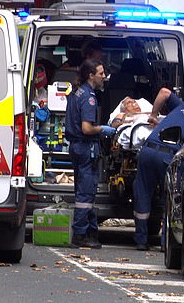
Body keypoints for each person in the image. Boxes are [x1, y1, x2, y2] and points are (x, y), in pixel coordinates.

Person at [132, 87, 184, 251]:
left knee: (143, 192)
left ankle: (141, 240)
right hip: (168, 157)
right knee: (170, 199)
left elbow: (164, 92)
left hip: (147, 150)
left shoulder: (181, 108)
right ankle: (166, 244)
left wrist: (153, 115)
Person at [65, 58, 116, 249]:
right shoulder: (89, 97)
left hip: (77, 147)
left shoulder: (76, 92)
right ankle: (80, 234)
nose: (104, 77)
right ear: (91, 75)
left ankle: (90, 232)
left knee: (83, 191)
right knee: (86, 193)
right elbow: (87, 128)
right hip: (86, 147)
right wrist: (103, 129)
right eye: (101, 73)